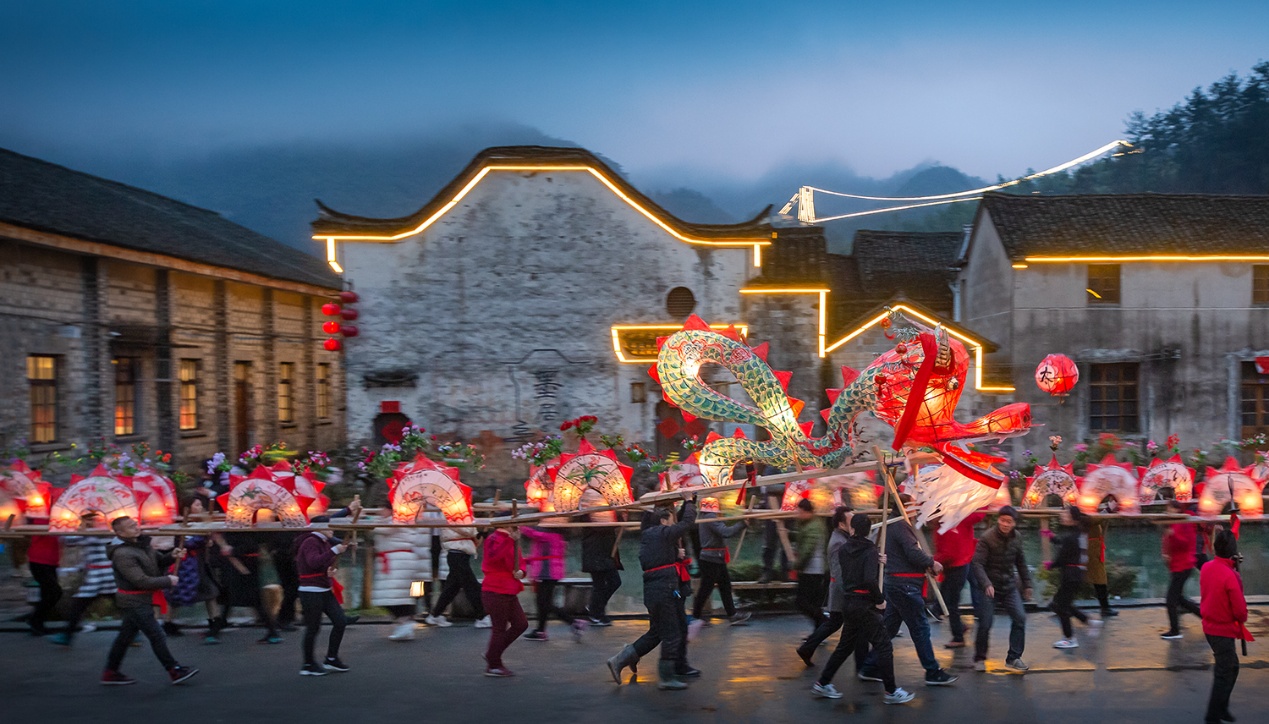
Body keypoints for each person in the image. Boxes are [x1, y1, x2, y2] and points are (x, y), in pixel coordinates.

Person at [811, 513, 915, 705]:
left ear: (852, 529)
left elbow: (855, 569)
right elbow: (867, 579)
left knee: (845, 647)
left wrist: (875, 560)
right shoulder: (869, 551)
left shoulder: (845, 549)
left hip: (848, 603)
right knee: (883, 645)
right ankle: (891, 691)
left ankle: (823, 682)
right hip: (865, 604)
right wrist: (880, 599)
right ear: (868, 530)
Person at [860, 497, 957, 687]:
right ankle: (932, 671)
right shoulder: (900, 526)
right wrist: (931, 562)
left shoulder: (895, 525)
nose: (917, 509)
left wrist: (925, 563)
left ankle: (870, 666)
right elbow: (912, 552)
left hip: (897, 583)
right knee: (920, 628)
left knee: (889, 628)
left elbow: (908, 554)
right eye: (914, 505)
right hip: (904, 585)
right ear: (905, 507)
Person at [606, 493, 697, 690]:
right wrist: (689, 500)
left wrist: (675, 554)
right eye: (670, 521)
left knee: (657, 632)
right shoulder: (663, 533)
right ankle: (666, 677)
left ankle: (620, 659)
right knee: (672, 634)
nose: (673, 525)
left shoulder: (648, 534)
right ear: (663, 521)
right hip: (664, 590)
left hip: (655, 590)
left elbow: (661, 552)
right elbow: (687, 522)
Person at [101, 516, 198, 685]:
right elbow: (140, 580)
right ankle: (173, 670)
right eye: (131, 527)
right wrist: (168, 581)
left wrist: (171, 555)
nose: (136, 528)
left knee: (125, 637)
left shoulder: (140, 544)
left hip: (140, 598)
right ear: (120, 532)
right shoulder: (122, 554)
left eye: (135, 524)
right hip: (134, 600)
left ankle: (110, 672)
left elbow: (156, 561)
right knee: (156, 634)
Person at [970, 506, 1032, 672]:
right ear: (998, 520)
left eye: (1009, 521)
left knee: (1020, 618)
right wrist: (986, 584)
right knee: (985, 623)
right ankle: (979, 658)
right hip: (989, 587)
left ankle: (1014, 657)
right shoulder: (987, 538)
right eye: (1002, 520)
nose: (1005, 524)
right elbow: (977, 563)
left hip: (1009, 586)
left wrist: (1027, 584)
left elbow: (1021, 562)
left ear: (1014, 523)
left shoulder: (1017, 537)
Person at [1200, 529, 1250, 724]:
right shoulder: (1231, 577)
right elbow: (1240, 612)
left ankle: (1222, 707)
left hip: (1209, 628)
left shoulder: (1206, 568)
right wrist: (1236, 574)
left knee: (1231, 667)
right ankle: (1213, 716)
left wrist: (1233, 568)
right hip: (1222, 630)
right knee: (1224, 672)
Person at [294, 516, 354, 676]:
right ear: (319, 527)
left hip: (324, 589)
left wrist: (329, 571)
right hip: (310, 591)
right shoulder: (310, 541)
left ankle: (331, 658)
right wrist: (335, 550)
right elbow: (313, 562)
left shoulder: (324, 541)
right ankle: (308, 664)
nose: (332, 530)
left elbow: (321, 564)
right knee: (313, 628)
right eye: (329, 527)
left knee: (340, 621)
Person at [798, 506, 855, 665]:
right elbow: (838, 572)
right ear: (841, 525)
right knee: (845, 627)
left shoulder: (843, 538)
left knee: (834, 623)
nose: (855, 523)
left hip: (841, 590)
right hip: (841, 590)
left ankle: (807, 648)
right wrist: (849, 592)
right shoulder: (838, 542)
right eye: (851, 520)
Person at [51, 514, 117, 646]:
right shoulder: (109, 532)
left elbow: (68, 541)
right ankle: (134, 635)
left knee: (78, 606)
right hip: (109, 575)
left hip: (98, 576)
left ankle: (66, 636)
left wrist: (60, 527)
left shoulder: (92, 534)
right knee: (123, 605)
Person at [209, 531, 282, 644]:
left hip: (246, 569)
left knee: (254, 601)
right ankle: (215, 632)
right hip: (233, 570)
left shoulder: (246, 531)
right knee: (229, 600)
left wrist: (232, 550)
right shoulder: (227, 532)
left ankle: (273, 632)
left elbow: (251, 546)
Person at [692, 497, 750, 626]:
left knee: (724, 586)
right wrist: (742, 524)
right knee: (706, 589)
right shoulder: (710, 518)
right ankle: (695, 616)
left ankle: (732, 614)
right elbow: (726, 532)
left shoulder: (706, 516)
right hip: (711, 559)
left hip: (717, 557)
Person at [370, 521, 432, 641]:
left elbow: (385, 529)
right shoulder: (406, 519)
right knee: (400, 595)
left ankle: (408, 620)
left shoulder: (399, 520)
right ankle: (407, 622)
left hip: (400, 561)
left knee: (398, 595)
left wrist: (370, 521)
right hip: (403, 560)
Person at [521, 525, 584, 641]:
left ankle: (573, 622)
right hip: (549, 571)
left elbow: (534, 534)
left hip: (547, 571)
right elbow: (540, 554)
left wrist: (519, 526)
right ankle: (541, 631)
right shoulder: (557, 536)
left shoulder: (550, 535)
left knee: (544, 603)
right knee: (543, 603)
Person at [1050, 506, 1100, 649]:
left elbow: (1062, 557)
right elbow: (1067, 546)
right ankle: (1088, 621)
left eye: (1065, 513)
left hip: (1070, 575)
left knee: (1060, 606)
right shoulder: (1079, 533)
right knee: (1061, 603)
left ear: (1072, 518)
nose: (1062, 515)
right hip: (1077, 573)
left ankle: (1069, 638)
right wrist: (1053, 538)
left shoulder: (1071, 536)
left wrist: (1051, 565)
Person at [481, 525, 528, 676]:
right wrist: (509, 540)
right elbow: (493, 557)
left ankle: (493, 653)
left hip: (509, 588)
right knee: (499, 628)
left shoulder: (512, 540)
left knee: (520, 624)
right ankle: (494, 663)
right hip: (495, 588)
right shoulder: (493, 539)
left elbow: (519, 561)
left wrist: (521, 572)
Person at [426, 524, 491, 628]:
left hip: (460, 552)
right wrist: (475, 531)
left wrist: (478, 532)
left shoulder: (462, 514)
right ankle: (482, 616)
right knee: (471, 585)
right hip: (456, 552)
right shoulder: (453, 513)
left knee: (452, 588)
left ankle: (435, 614)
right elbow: (465, 530)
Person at [934, 511, 984, 649]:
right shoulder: (956, 519)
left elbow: (947, 553)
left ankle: (958, 636)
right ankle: (960, 628)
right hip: (960, 562)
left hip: (957, 565)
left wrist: (931, 561)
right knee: (948, 600)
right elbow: (978, 515)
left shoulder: (948, 522)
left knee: (951, 603)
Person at [1161, 500, 1202, 640]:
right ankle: (1205, 616)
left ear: (1176, 509)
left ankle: (1175, 630)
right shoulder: (1172, 524)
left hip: (1184, 565)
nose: (1168, 512)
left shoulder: (1184, 523)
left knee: (1171, 599)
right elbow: (1166, 541)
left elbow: (1185, 543)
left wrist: (1173, 534)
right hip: (1176, 565)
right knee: (1179, 598)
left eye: (1170, 509)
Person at [581, 507, 623, 626]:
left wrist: (620, 516)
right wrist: (617, 520)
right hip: (594, 551)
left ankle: (595, 609)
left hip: (607, 551)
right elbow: (599, 527)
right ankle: (596, 612)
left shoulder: (608, 510)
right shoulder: (586, 512)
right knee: (599, 584)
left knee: (614, 582)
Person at [792, 498, 828, 636]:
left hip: (812, 569)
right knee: (812, 604)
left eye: (800, 512)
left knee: (803, 602)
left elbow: (807, 549)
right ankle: (820, 630)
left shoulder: (813, 527)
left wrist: (796, 564)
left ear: (807, 512)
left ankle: (823, 623)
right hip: (813, 569)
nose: (798, 515)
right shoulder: (811, 524)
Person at [25, 516, 61, 636]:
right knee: (54, 592)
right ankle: (34, 619)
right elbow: (42, 530)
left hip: (51, 562)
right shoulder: (42, 517)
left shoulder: (58, 517)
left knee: (48, 594)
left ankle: (37, 624)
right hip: (39, 561)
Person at [1085, 518, 1117, 617]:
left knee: (1098, 579)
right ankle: (1105, 607)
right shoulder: (1083, 512)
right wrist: (1107, 511)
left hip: (1094, 547)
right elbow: (1091, 520)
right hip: (1091, 549)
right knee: (1098, 579)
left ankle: (1105, 607)